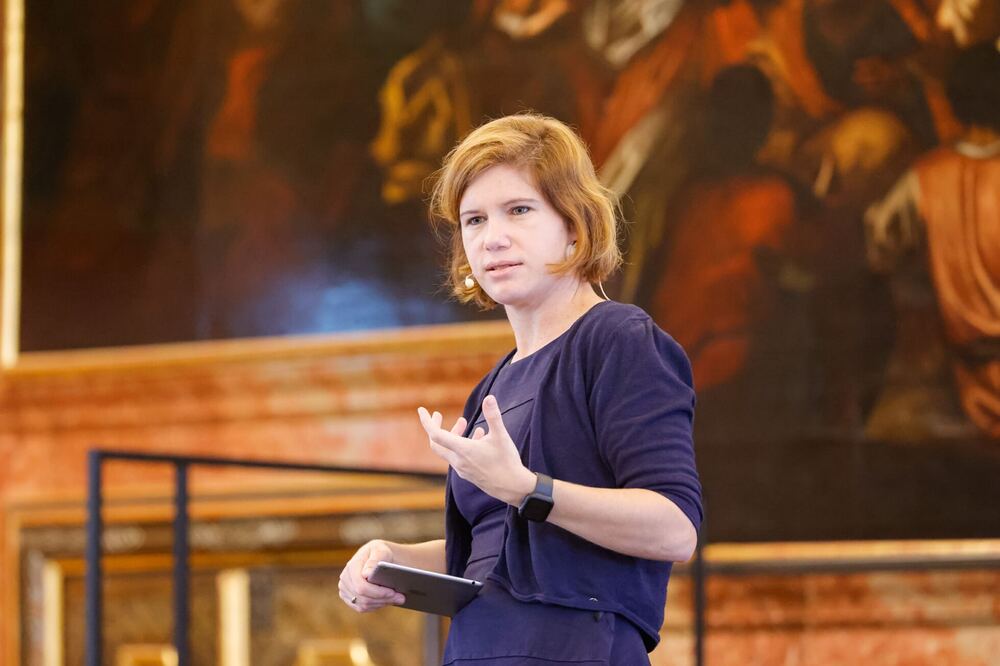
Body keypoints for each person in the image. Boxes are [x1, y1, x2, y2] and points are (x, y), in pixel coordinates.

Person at [338, 114, 703, 665]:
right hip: (478, 649)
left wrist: (528, 488)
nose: (493, 237)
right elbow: (497, 555)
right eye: (474, 219)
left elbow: (675, 529)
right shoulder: (494, 381)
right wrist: (391, 559)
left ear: (575, 225)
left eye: (519, 210)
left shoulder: (619, 339)